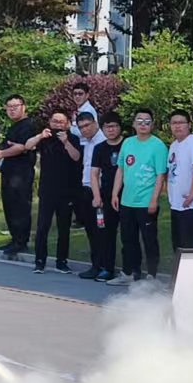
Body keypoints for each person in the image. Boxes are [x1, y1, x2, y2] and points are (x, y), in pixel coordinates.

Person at [114, 107, 168, 280]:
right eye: (139, 121)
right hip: (127, 201)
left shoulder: (158, 145)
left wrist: (154, 200)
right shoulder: (128, 143)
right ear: (134, 124)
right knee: (128, 240)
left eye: (147, 122)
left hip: (146, 202)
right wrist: (115, 193)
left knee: (149, 240)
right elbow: (121, 169)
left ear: (152, 125)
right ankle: (130, 272)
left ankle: (152, 275)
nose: (143, 124)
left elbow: (161, 175)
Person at [28, 108, 81, 273]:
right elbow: (27, 146)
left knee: (63, 228)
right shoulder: (45, 138)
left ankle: (61, 261)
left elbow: (77, 157)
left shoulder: (73, 138)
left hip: (66, 191)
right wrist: (39, 136)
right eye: (55, 121)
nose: (58, 125)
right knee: (42, 227)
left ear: (67, 124)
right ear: (50, 123)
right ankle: (39, 261)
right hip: (47, 190)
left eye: (61, 122)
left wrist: (66, 142)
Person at [0, 94, 39, 259]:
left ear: (23, 106)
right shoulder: (14, 126)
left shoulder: (28, 125)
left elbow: (22, 147)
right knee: (10, 206)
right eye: (9, 107)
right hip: (9, 171)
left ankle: (21, 242)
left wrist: (1, 153)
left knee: (20, 206)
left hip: (21, 173)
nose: (12, 110)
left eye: (15, 106)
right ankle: (14, 238)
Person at [167, 110, 193, 255]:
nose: (177, 126)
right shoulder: (174, 145)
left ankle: (191, 278)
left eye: (181, 123)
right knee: (178, 248)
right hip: (177, 205)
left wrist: (192, 194)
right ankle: (179, 277)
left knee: (190, 249)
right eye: (174, 123)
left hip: (192, 206)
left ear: (189, 125)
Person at [90, 112, 125, 282]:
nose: (110, 130)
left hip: (127, 196)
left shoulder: (128, 145)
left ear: (120, 127)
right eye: (107, 127)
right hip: (105, 196)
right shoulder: (100, 148)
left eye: (114, 126)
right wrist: (96, 196)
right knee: (106, 234)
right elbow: (94, 173)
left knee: (128, 234)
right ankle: (107, 268)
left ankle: (129, 270)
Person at [74, 109, 107, 278]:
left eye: (87, 125)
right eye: (81, 127)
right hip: (85, 189)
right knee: (91, 230)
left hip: (98, 192)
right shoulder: (87, 142)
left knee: (99, 231)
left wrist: (97, 196)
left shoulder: (102, 141)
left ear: (95, 123)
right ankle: (96, 264)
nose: (84, 129)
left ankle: (102, 265)